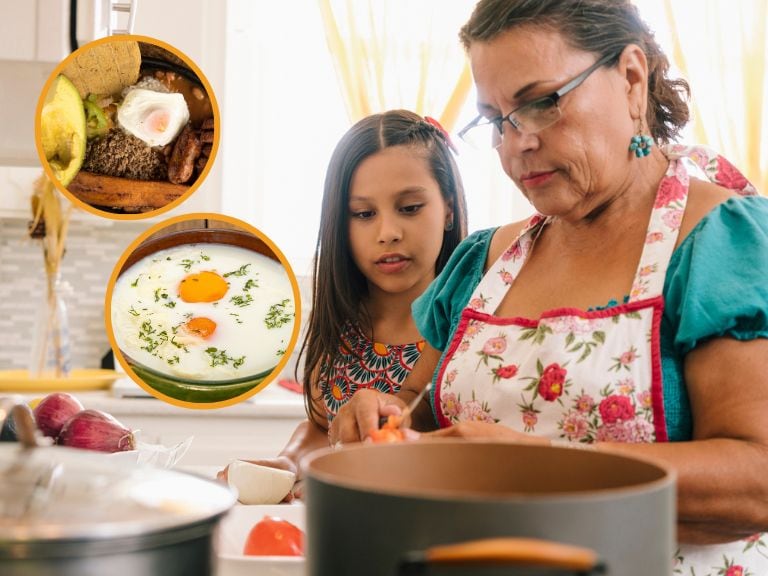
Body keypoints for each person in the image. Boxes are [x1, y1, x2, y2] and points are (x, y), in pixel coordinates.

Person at [329, 1, 768, 573]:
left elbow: (756, 482)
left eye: (539, 103)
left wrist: (532, 469)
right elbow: (417, 414)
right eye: (495, 120)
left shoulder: (721, 242)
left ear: (632, 79)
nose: (516, 144)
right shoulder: (485, 262)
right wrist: (380, 418)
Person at [218, 109, 467, 498]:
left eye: (410, 208)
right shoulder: (340, 319)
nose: (388, 233)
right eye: (363, 214)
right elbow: (321, 428)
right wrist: (290, 461)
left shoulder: (475, 325)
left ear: (448, 208)